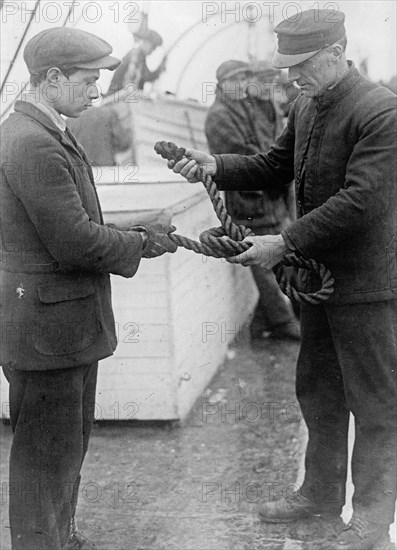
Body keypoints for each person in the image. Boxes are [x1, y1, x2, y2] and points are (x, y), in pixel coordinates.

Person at [167, 9, 396, 550]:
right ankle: (318, 494)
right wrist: (214, 165)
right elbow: (274, 164)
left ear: (336, 54)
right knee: (318, 392)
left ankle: (370, 516)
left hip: (365, 286)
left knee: (377, 401)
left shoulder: (380, 111)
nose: (292, 78)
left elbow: (361, 200)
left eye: (303, 66)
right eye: (288, 67)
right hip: (319, 282)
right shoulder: (307, 105)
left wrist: (284, 242)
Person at [0, 27, 177, 550]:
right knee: (45, 457)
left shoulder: (45, 129)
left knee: (65, 448)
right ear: (51, 78)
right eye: (87, 80)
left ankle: (60, 537)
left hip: (61, 325)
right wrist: (142, 240)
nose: (97, 91)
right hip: (48, 331)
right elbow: (74, 241)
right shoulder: (32, 142)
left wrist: (137, 227)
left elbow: (70, 223)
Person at [205, 59, 300, 342]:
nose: (242, 84)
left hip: (270, 196)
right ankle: (282, 322)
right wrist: (273, 175)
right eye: (236, 80)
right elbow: (240, 157)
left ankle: (262, 325)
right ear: (222, 84)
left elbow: (267, 148)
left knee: (281, 258)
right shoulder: (220, 116)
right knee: (263, 263)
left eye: (245, 78)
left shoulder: (251, 107)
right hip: (247, 200)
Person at [106, 28, 166, 96]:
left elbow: (146, 76)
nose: (152, 51)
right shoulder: (135, 57)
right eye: (153, 47)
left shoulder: (140, 57)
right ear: (145, 41)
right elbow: (131, 81)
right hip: (117, 99)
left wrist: (160, 69)